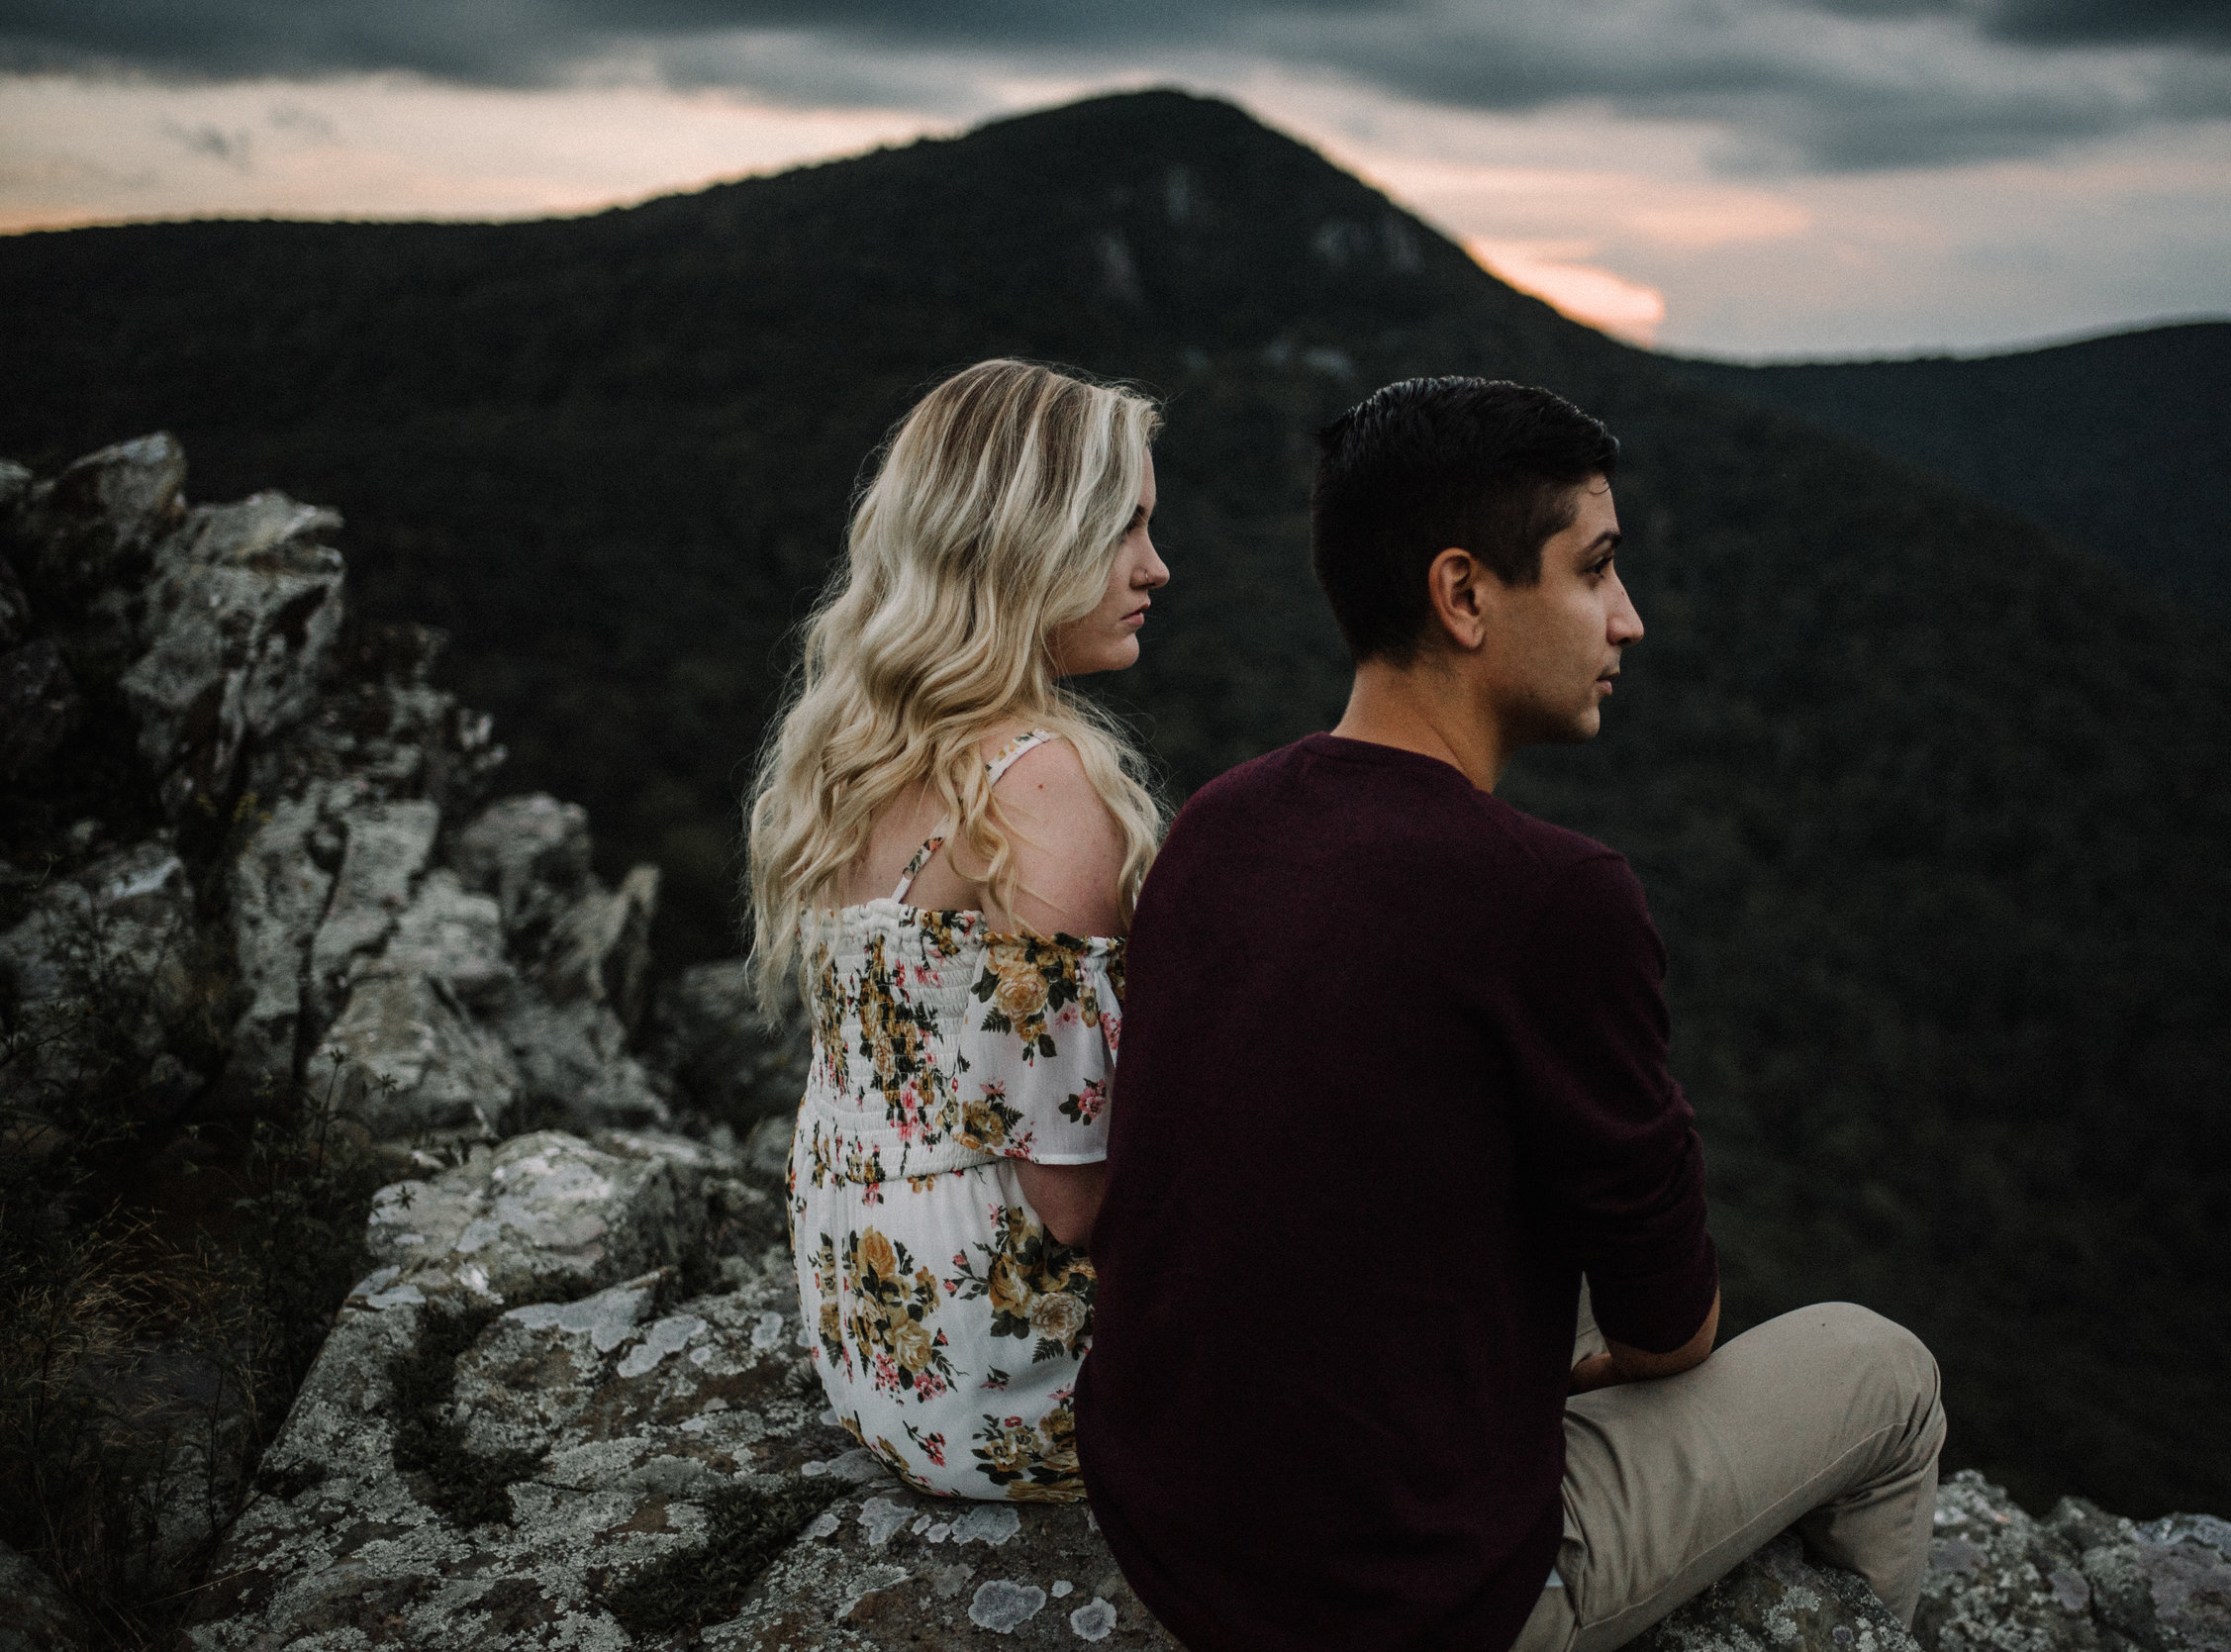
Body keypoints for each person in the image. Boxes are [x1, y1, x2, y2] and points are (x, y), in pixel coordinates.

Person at [1078, 377, 1946, 1649]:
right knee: (1883, 1369)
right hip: (1398, 1602)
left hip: (1170, 1533)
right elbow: (1670, 1318)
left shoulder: (1219, 822)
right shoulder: (1554, 894)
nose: (1629, 620)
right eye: (1596, 570)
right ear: (1466, 595)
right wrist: (1613, 1364)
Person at [745, 358, 1167, 1500]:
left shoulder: (852, 761)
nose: (1154, 568)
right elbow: (1074, 1203)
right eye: (1124, 528)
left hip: (879, 1361)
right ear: (1032, 542)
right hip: (1025, 1389)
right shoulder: (1040, 790)